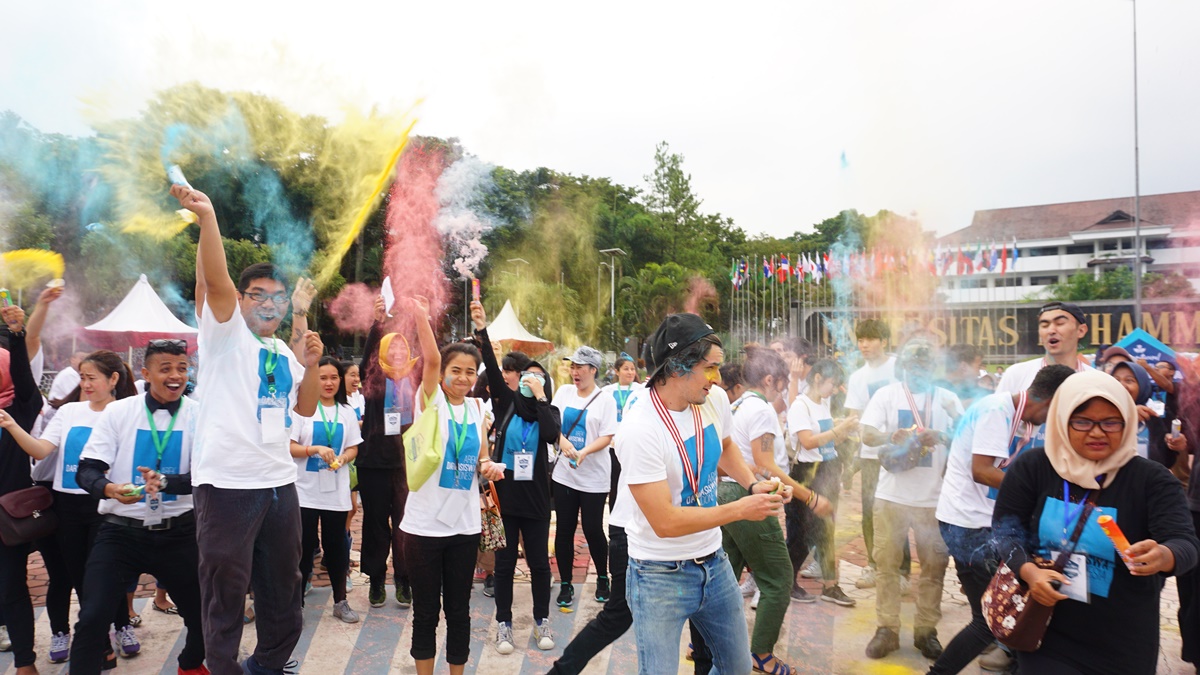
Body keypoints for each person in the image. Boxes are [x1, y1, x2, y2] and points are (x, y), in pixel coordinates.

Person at [172, 184, 323, 675]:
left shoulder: (280, 352)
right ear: (240, 300)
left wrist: (313, 364)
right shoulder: (224, 334)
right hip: (229, 486)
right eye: (258, 296)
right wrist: (209, 218)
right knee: (225, 593)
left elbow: (303, 408)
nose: (270, 304)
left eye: (278, 298)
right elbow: (213, 284)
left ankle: (268, 665)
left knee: (285, 590)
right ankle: (223, 668)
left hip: (280, 484)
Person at [992, 370, 1199, 674]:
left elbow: (1186, 544)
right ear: (1062, 420)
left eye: (1111, 422)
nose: (1098, 432)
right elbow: (1004, 532)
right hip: (1045, 627)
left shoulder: (1151, 479)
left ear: (1127, 423)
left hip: (1123, 638)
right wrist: (1028, 571)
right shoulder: (1034, 467)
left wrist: (1164, 556)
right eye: (1083, 421)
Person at [620, 313, 791, 674]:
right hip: (658, 575)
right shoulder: (639, 428)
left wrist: (753, 484)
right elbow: (665, 522)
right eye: (710, 368)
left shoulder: (710, 399)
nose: (718, 378)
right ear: (678, 366)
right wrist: (743, 508)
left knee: (737, 668)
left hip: (713, 565)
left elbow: (727, 444)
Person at [70, 338, 208, 674]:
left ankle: (190, 665)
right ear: (146, 373)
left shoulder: (201, 414)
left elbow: (209, 476)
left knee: (205, 616)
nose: (176, 375)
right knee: (91, 619)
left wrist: (165, 483)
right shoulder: (119, 412)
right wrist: (110, 489)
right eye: (165, 369)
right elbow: (86, 470)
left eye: (182, 367)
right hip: (121, 534)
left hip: (180, 532)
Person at [926, 365, 1073, 675]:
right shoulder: (997, 410)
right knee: (988, 620)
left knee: (1013, 606)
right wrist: (1033, 494)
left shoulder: (1016, 415)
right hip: (967, 526)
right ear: (1051, 400)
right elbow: (981, 470)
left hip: (980, 522)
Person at [0, 350, 141, 665]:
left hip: (108, 506)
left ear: (113, 379)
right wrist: (11, 425)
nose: (85, 384)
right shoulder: (69, 413)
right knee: (79, 576)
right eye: (82, 378)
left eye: (91, 378)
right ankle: (98, 635)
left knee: (103, 577)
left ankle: (110, 634)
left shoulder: (128, 411)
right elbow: (40, 449)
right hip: (68, 508)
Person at [399, 295, 504, 675]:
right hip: (424, 526)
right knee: (426, 612)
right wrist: (423, 318)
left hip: (464, 526)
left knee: (460, 611)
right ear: (442, 374)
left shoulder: (478, 410)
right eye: (455, 370)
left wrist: (490, 467)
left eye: (469, 373)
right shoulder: (429, 403)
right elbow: (428, 358)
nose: (462, 378)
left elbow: (481, 459)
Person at [722, 346, 833, 673]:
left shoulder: (738, 403)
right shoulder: (761, 410)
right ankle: (761, 653)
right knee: (779, 578)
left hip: (728, 494)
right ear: (769, 379)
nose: (785, 390)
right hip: (751, 497)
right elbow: (766, 463)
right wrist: (809, 497)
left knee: (726, 574)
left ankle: (702, 641)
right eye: (784, 383)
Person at [467, 300, 562, 654]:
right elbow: (492, 367)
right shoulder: (506, 403)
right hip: (506, 498)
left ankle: (541, 621)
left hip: (537, 501)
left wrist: (539, 397)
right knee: (505, 565)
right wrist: (482, 330)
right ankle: (503, 624)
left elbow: (552, 434)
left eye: (537, 376)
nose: (528, 379)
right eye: (526, 376)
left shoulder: (547, 410)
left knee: (539, 564)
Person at [860, 336, 963, 660]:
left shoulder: (946, 398)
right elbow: (866, 433)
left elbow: (966, 433)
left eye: (925, 365)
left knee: (934, 569)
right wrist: (891, 435)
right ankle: (887, 629)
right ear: (903, 366)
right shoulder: (886, 395)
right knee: (886, 566)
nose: (918, 370)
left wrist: (943, 434)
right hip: (891, 497)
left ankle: (925, 631)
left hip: (934, 501)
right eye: (913, 364)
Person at [289, 356, 363, 623]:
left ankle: (340, 601)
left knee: (337, 548)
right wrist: (314, 450)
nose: (329, 383)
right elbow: (289, 446)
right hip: (304, 492)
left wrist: (343, 458)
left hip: (336, 492)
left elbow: (354, 446)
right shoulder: (300, 411)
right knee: (303, 547)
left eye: (333, 377)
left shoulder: (346, 412)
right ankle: (295, 603)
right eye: (322, 377)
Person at [0, 305, 50, 675]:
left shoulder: (19, 409)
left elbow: (24, 378)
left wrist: (16, 336)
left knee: (12, 590)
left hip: (6, 525)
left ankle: (24, 662)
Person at [786, 357, 859, 605]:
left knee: (826, 530)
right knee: (801, 534)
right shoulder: (800, 405)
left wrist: (844, 430)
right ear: (818, 378)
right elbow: (807, 441)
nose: (834, 388)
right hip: (806, 475)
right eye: (832, 383)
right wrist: (839, 430)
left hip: (827, 470)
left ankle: (830, 586)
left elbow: (827, 442)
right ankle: (787, 583)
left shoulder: (823, 404)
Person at [358, 296, 414, 608]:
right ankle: (377, 580)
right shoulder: (373, 379)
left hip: (405, 464)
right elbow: (366, 359)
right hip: (374, 462)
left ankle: (404, 580)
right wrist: (378, 324)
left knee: (405, 524)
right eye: (391, 348)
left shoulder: (414, 381)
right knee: (376, 524)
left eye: (402, 348)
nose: (396, 352)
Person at [551, 346, 617, 607]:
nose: (574, 371)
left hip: (594, 477)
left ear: (593, 370)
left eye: (580, 367)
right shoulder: (564, 392)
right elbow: (551, 423)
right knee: (564, 530)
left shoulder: (606, 399)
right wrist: (562, 441)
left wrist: (585, 451)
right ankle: (565, 583)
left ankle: (603, 576)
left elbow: (608, 435)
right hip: (565, 475)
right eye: (572, 366)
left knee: (592, 528)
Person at [843, 318, 907, 590]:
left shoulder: (899, 368)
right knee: (870, 512)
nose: (864, 345)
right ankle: (873, 565)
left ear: (883, 340)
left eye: (869, 339)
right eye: (860, 340)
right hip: (870, 454)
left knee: (898, 510)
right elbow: (853, 416)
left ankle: (902, 573)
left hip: (900, 453)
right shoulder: (858, 377)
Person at [997, 302, 1093, 396]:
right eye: (1044, 325)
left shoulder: (1096, 380)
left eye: (1060, 323)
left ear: (1081, 330)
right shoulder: (1016, 374)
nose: (1051, 331)